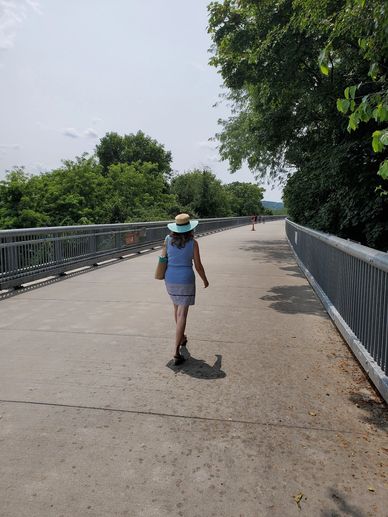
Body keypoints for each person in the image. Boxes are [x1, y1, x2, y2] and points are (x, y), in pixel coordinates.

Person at [161, 213, 209, 365]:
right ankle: (176, 352)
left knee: (176, 308)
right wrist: (205, 280)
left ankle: (181, 338)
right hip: (185, 279)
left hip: (170, 279)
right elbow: (198, 266)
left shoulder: (167, 240)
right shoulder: (193, 243)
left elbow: (163, 259)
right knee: (182, 314)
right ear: (190, 228)